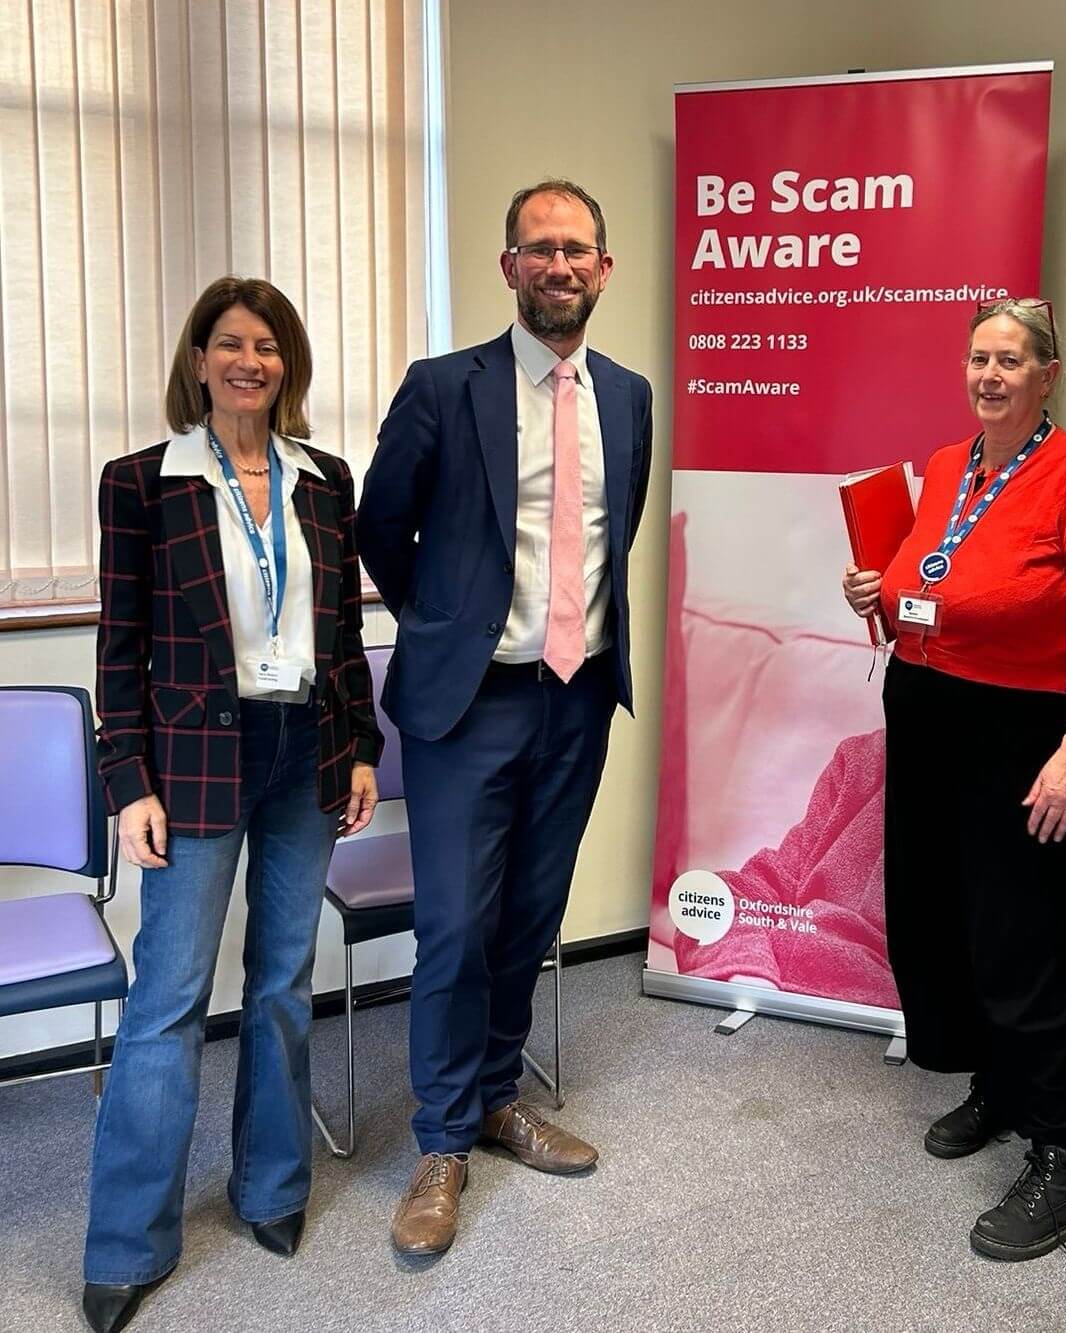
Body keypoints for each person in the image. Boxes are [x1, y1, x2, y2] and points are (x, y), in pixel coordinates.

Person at [358, 178, 652, 1257]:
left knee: (530, 919)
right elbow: (383, 527)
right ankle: (440, 1144)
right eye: (540, 247)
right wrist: (446, 625)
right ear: (509, 266)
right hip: (468, 705)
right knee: (453, 928)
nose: (561, 264)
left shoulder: (628, 395)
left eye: (579, 248)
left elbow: (612, 534)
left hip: (576, 698)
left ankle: (494, 1094)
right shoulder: (445, 386)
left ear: (604, 270)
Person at [84, 277, 382, 1332]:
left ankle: (272, 1190)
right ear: (199, 358)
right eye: (228, 343)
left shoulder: (323, 480)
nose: (248, 360)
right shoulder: (143, 483)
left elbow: (342, 632)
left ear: (286, 363)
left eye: (266, 345)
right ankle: (127, 1245)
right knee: (167, 999)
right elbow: (118, 650)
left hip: (305, 745)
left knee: (282, 984)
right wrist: (129, 785)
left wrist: (359, 749)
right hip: (194, 761)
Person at [842, 298, 1066, 1262]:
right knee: (948, 920)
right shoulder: (945, 465)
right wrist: (877, 586)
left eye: (1010, 360)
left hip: (1024, 734)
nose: (990, 375)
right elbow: (925, 575)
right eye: (978, 358)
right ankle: (1000, 1086)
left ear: (1046, 375)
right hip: (928, 712)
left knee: (1029, 939)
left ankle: (1062, 1160)